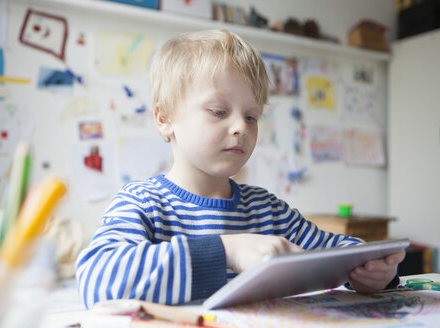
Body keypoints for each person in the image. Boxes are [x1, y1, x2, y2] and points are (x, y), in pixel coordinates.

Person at [75, 29, 405, 308]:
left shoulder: (267, 210)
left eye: (251, 116)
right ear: (165, 119)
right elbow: (98, 279)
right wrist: (227, 250)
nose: (240, 127)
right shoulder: (142, 202)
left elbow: (336, 250)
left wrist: (373, 271)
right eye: (219, 111)